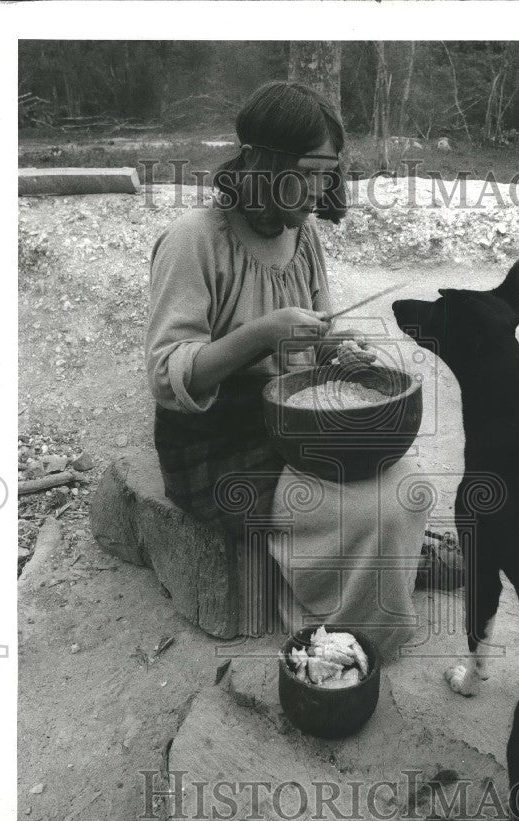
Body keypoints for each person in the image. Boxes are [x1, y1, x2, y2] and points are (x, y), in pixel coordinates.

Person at [145, 80, 430, 663]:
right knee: (372, 510)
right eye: (311, 171)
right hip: (217, 442)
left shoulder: (303, 235)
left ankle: (358, 614)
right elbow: (169, 374)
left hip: (292, 422)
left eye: (331, 173)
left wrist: (337, 350)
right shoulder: (194, 240)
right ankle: (341, 647)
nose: (323, 188)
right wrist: (265, 333)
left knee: (408, 486)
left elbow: (315, 334)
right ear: (262, 162)